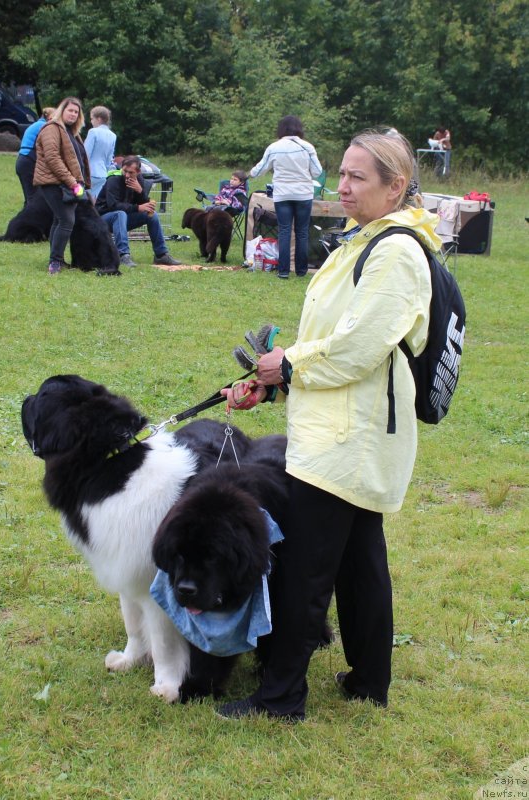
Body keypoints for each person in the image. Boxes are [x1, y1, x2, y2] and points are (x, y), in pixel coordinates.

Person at [218, 129, 439, 721]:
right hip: (342, 426)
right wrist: (276, 380)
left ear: (395, 187)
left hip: (350, 437)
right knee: (359, 561)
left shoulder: (396, 251)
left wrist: (286, 364)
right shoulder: (361, 242)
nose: (341, 185)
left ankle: (281, 697)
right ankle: (369, 680)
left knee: (306, 570)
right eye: (340, 173)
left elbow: (359, 346)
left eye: (357, 177)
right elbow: (335, 342)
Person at [249, 116, 322, 279]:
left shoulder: (274, 147)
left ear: (281, 129)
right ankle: (301, 271)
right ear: (299, 129)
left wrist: (249, 174)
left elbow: (260, 170)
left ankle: (283, 271)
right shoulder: (307, 146)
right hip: (303, 193)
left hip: (282, 194)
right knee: (302, 232)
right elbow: (317, 171)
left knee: (284, 231)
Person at [34, 97, 91, 275]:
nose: (73, 114)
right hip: (54, 182)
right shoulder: (51, 128)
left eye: (76, 112)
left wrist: (81, 182)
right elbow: (52, 158)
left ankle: (56, 258)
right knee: (67, 220)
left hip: (68, 183)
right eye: (70, 110)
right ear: (61, 110)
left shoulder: (71, 132)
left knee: (59, 220)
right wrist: (73, 182)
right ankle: (55, 262)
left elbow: (78, 159)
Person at [95, 155, 181, 267]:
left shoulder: (139, 180)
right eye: (124, 171)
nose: (126, 175)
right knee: (120, 214)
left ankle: (161, 255)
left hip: (123, 218)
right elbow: (113, 206)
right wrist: (137, 208)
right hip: (103, 219)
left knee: (152, 215)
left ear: (138, 172)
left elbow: (144, 203)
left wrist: (140, 191)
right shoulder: (113, 180)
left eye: (130, 172)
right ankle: (123, 255)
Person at [15, 107, 55, 205]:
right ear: (50, 117)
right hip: (28, 160)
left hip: (23, 160)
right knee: (33, 198)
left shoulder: (36, 124)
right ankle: (28, 218)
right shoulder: (44, 126)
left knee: (30, 197)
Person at [84, 106, 117, 198]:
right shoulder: (113, 135)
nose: (91, 121)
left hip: (89, 173)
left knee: (83, 200)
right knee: (95, 201)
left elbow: (86, 154)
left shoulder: (93, 132)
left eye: (92, 118)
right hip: (102, 174)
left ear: (98, 119)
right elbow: (109, 158)